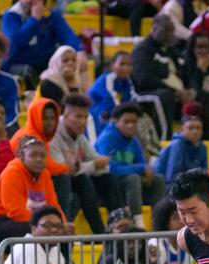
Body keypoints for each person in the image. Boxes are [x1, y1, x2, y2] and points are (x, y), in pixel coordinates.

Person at [0, 138, 63, 251]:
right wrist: (45, 225)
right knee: (33, 230)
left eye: (43, 156)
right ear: (22, 157)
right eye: (33, 155)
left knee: (60, 231)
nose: (39, 159)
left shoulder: (45, 174)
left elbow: (53, 206)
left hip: (10, 222)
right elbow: (15, 212)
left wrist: (61, 223)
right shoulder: (12, 172)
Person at [49, 94, 121, 234]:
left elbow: (99, 161)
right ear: (66, 115)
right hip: (57, 183)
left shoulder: (79, 136)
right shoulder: (53, 135)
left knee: (109, 179)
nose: (82, 121)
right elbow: (63, 170)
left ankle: (121, 224)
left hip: (74, 181)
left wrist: (89, 165)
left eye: (85, 117)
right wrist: (92, 165)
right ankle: (100, 232)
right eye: (78, 116)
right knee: (83, 181)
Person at [94, 102, 165, 229]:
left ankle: (159, 220)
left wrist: (144, 169)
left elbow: (143, 163)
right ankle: (137, 222)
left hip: (130, 185)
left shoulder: (134, 140)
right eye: (126, 121)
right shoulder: (107, 138)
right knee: (133, 178)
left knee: (158, 179)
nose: (131, 125)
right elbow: (111, 168)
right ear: (116, 121)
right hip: (111, 186)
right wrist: (140, 168)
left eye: (134, 122)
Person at [132, 14, 199, 129]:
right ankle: (164, 139)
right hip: (149, 94)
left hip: (177, 94)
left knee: (205, 97)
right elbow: (143, 79)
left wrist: (191, 90)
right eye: (166, 30)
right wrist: (175, 92)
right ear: (154, 29)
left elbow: (187, 72)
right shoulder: (142, 50)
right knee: (164, 96)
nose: (169, 34)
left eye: (171, 31)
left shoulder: (173, 49)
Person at [2, 0, 81, 87]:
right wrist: (34, 20)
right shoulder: (11, 16)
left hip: (44, 62)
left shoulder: (51, 15)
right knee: (27, 73)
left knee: (70, 64)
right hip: (17, 63)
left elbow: (67, 35)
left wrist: (78, 51)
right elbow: (17, 41)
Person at [88, 51, 138, 138]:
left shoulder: (128, 81)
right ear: (112, 65)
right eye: (122, 64)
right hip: (97, 115)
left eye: (129, 65)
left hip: (113, 114)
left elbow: (131, 100)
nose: (126, 68)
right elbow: (110, 100)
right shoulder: (107, 79)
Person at [154, 114, 208, 184]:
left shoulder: (202, 147)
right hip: (164, 185)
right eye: (191, 128)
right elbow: (172, 177)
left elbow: (204, 172)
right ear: (182, 129)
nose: (195, 132)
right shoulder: (177, 145)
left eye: (198, 128)